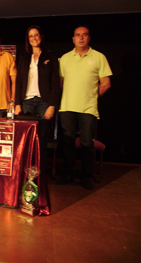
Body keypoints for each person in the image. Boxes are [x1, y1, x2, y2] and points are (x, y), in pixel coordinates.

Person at [58, 25, 112, 190]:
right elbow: (60, 83)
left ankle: (86, 176)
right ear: (73, 39)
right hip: (67, 108)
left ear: (89, 38)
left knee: (87, 144)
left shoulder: (98, 57)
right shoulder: (65, 58)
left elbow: (106, 84)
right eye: (77, 35)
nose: (81, 38)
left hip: (88, 109)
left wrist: (90, 98)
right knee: (67, 143)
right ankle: (68, 173)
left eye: (84, 35)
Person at [15, 25, 61, 176]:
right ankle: (25, 172)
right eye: (30, 36)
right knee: (25, 140)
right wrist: (17, 103)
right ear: (28, 40)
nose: (34, 38)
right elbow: (19, 82)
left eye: (36, 35)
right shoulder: (24, 57)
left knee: (40, 140)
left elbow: (55, 84)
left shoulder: (51, 57)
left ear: (41, 36)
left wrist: (52, 105)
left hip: (44, 103)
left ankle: (39, 175)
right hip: (27, 101)